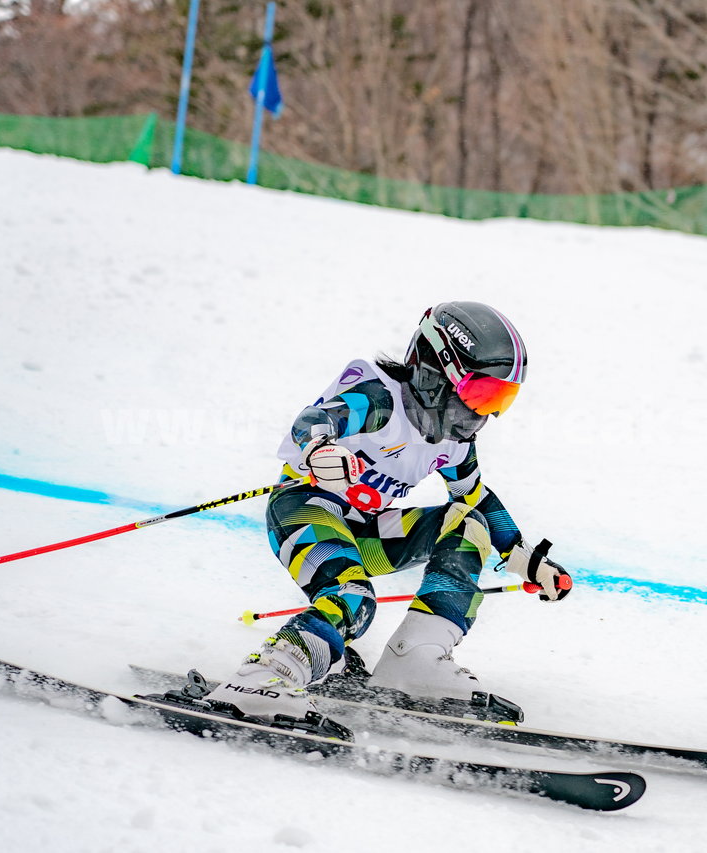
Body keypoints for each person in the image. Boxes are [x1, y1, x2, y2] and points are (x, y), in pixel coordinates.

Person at [205, 301, 572, 727]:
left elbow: (475, 498)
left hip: (365, 533)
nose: (484, 413)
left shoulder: (452, 441)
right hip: (306, 511)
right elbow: (315, 419)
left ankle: (414, 659)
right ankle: (260, 680)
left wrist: (525, 557)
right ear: (436, 372)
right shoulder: (381, 401)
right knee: (352, 599)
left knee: (470, 522)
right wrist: (321, 448)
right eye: (481, 393)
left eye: (500, 400)